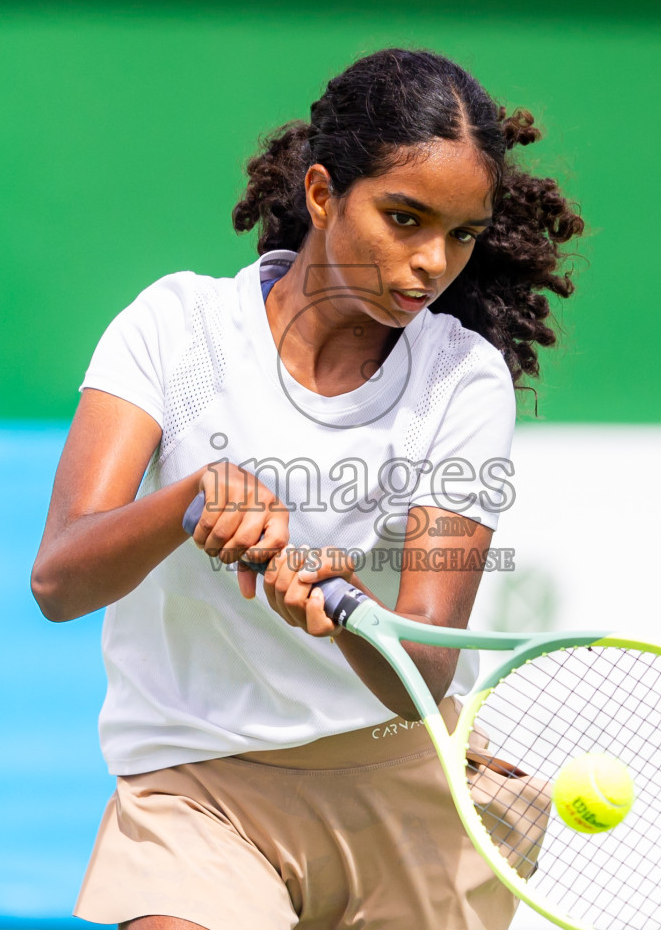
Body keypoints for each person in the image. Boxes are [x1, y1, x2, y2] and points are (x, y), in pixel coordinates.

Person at [31, 47, 583, 930]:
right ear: (323, 195)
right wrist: (189, 502)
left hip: (404, 797)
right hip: (199, 790)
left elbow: (425, 670)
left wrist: (349, 608)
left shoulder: (462, 381)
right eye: (403, 218)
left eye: (461, 234)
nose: (430, 263)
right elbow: (59, 581)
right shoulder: (176, 329)